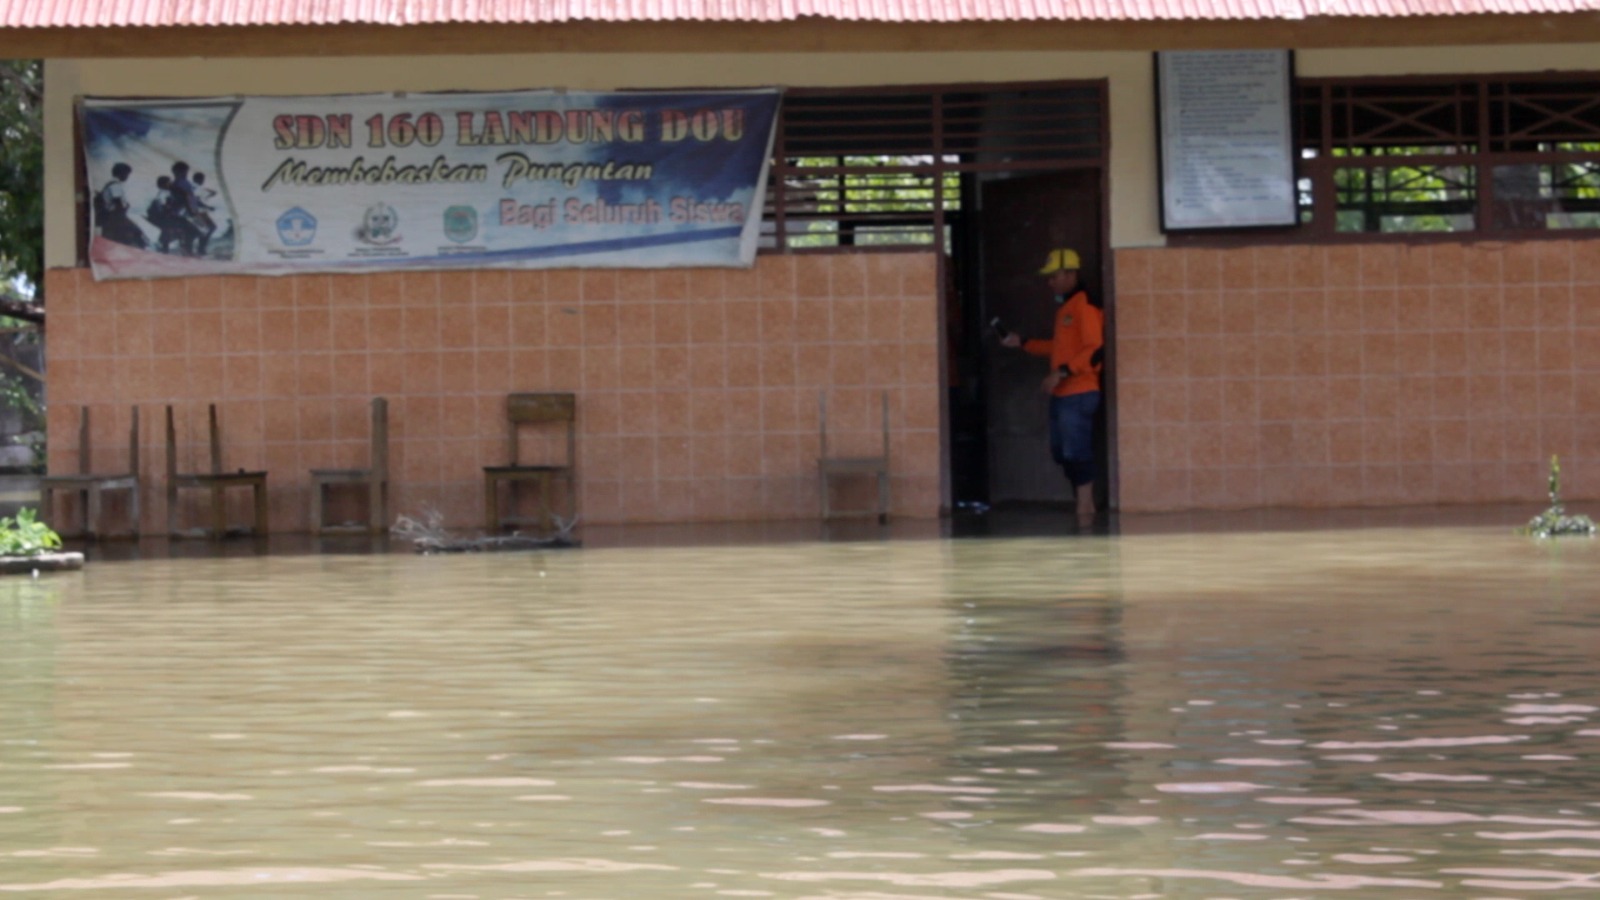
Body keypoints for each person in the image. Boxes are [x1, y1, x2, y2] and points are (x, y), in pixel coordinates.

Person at [999, 247, 1105, 517]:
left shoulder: (1085, 305)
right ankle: (1083, 502)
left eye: (1053, 276)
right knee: (1061, 453)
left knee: (1075, 450)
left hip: (1080, 391)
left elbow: (1094, 349)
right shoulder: (1066, 308)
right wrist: (1023, 343)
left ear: (1070, 274)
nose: (1050, 282)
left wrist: (1062, 372)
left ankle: (1085, 505)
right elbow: (1058, 348)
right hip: (1063, 393)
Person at [93, 162, 147, 249]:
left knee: (112, 241)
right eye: (127, 174)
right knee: (135, 236)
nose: (127, 177)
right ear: (121, 173)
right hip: (115, 217)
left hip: (110, 217)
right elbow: (118, 202)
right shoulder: (115, 186)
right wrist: (124, 208)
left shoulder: (109, 184)